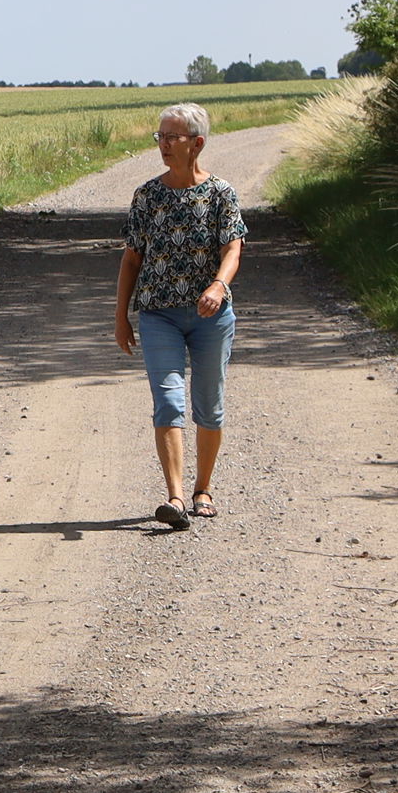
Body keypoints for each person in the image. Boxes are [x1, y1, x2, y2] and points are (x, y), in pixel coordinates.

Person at [114, 101, 248, 529]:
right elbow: (132, 258)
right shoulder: (147, 195)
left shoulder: (221, 194)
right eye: (161, 136)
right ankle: (173, 496)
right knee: (168, 401)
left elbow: (233, 247)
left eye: (173, 136)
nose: (164, 144)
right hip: (159, 315)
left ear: (198, 143)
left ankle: (202, 489)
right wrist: (121, 315)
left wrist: (218, 285)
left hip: (212, 317)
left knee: (209, 404)